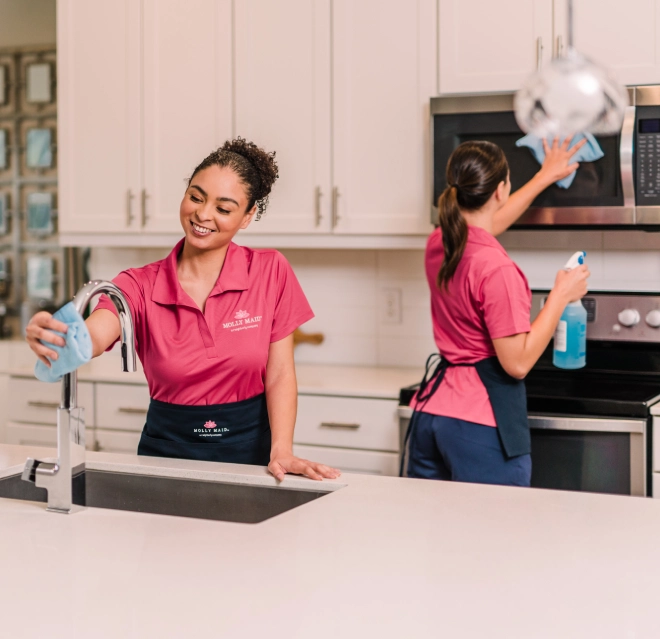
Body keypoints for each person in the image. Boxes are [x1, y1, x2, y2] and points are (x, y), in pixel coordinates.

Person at [26, 138, 340, 482]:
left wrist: (282, 449)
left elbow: (280, 374)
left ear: (248, 215)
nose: (203, 215)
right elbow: (92, 336)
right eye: (196, 197)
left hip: (251, 456)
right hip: (165, 457)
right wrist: (53, 336)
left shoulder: (270, 271)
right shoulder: (138, 284)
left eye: (224, 208)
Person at [406, 138, 590, 486]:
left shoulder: (440, 241)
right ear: (500, 190)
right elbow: (516, 363)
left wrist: (543, 177)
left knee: (434, 534)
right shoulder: (497, 270)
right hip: (478, 422)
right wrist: (560, 296)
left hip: (432, 414)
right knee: (498, 535)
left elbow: (487, 223)